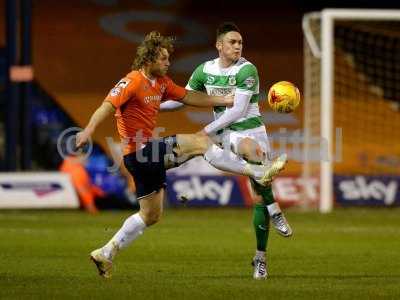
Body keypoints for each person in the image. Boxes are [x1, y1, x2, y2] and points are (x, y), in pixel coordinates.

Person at [75, 31, 286, 278]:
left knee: (150, 215)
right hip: (140, 152)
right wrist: (89, 129)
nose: (168, 63)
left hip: (143, 159)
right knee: (200, 142)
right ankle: (256, 171)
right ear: (149, 59)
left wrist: (223, 99)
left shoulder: (162, 83)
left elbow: (188, 97)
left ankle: (106, 252)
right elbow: (106, 106)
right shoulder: (132, 81)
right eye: (163, 58)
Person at [161, 22, 292, 280]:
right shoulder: (204, 70)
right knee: (254, 157)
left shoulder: (247, 69)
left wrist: (205, 130)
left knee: (257, 199)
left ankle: (260, 258)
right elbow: (183, 100)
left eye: (240, 42)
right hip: (227, 132)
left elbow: (239, 111)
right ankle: (276, 209)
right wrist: (153, 105)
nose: (237, 46)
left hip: (253, 129)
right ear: (219, 45)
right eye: (232, 42)